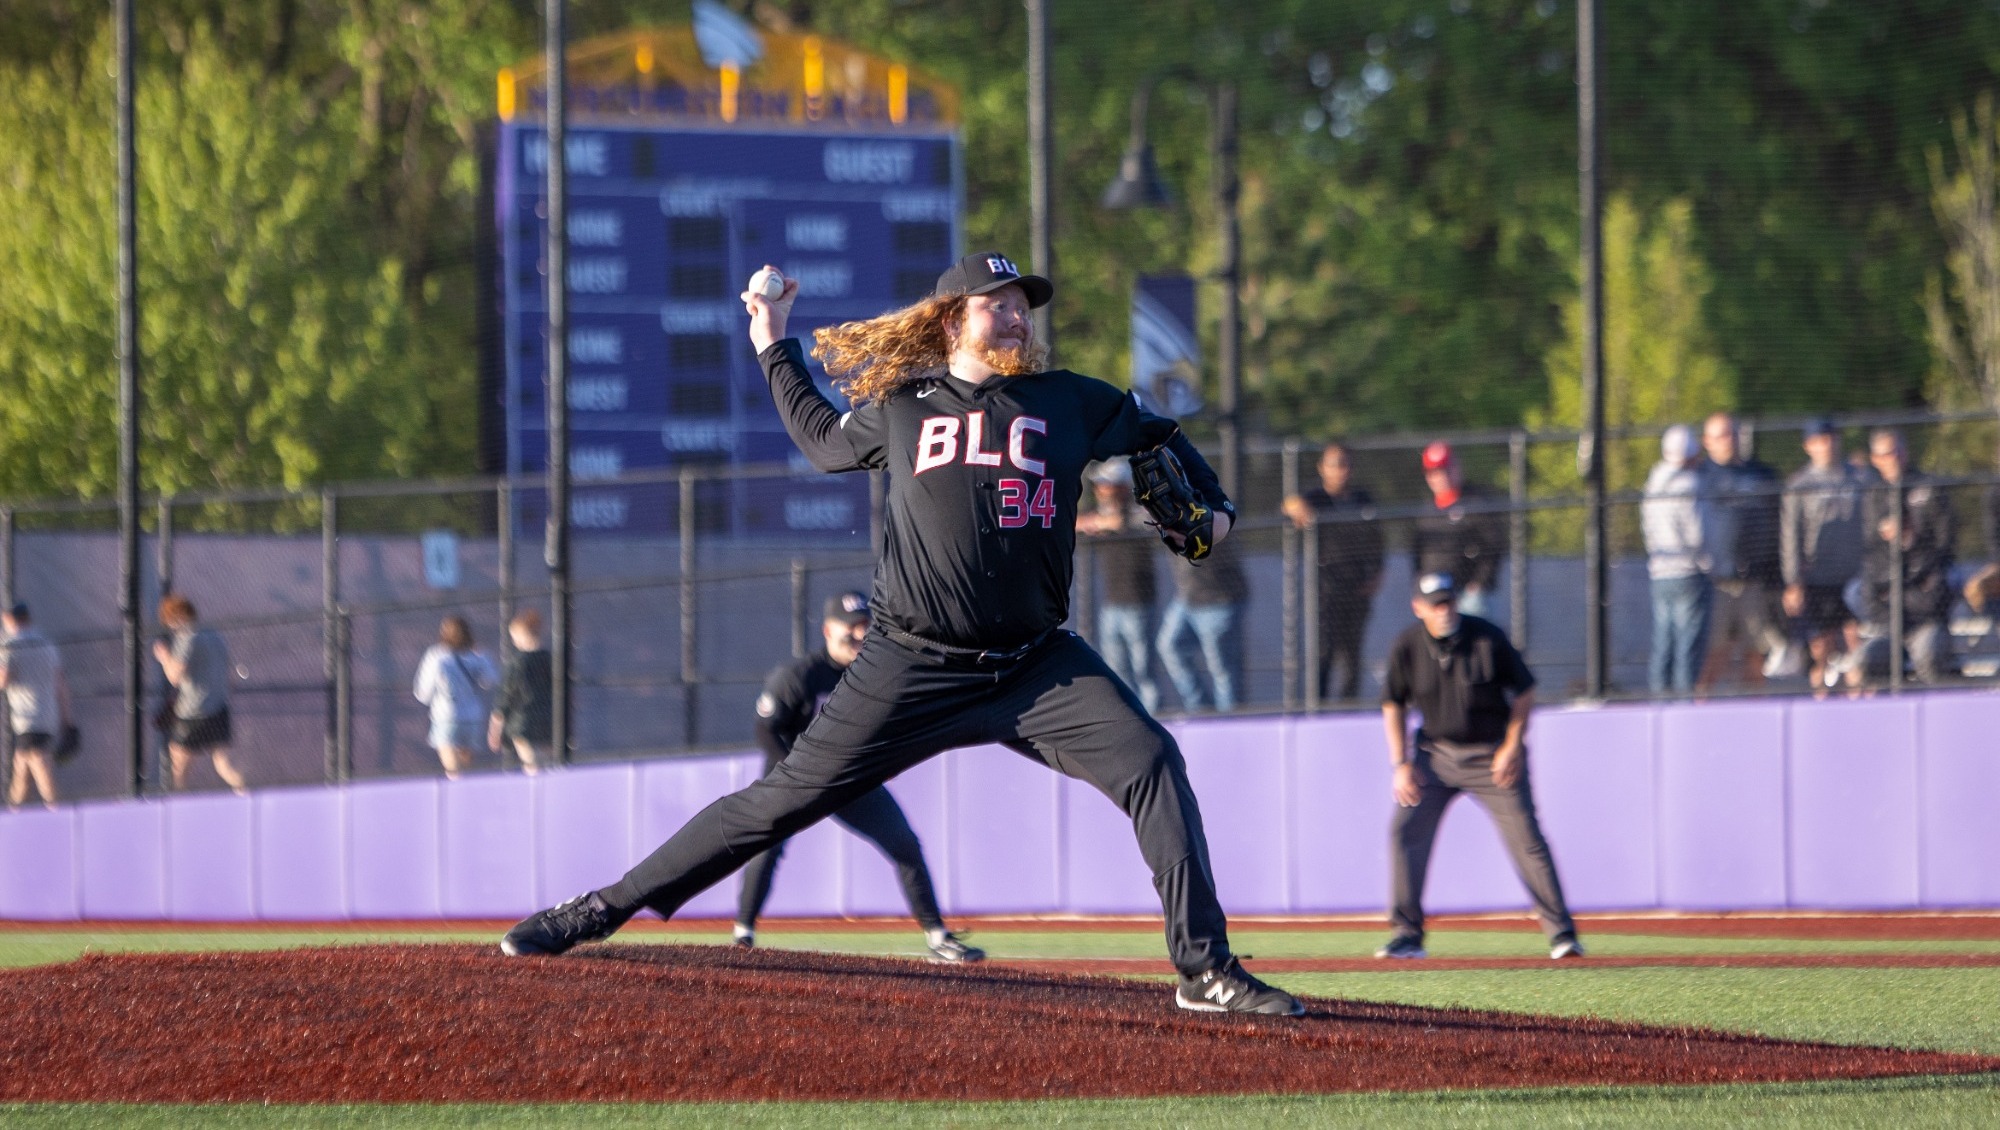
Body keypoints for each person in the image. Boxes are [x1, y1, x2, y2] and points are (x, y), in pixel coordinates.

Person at [502, 251, 1302, 1016]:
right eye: (999, 304)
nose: (1017, 315)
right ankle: (598, 910)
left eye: (1023, 303)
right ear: (954, 321)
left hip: (1036, 665)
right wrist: (773, 343)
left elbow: (1159, 434)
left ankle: (1205, 970)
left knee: (1153, 760)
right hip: (910, 663)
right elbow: (818, 441)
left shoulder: (1068, 401)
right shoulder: (906, 408)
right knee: (773, 804)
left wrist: (1219, 509)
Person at [735, 592, 983, 963]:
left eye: (865, 626)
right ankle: (742, 936)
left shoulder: (873, 674)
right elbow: (766, 730)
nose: (858, 634)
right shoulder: (800, 675)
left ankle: (938, 935)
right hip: (790, 777)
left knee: (904, 844)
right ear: (828, 630)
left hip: (846, 778)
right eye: (850, 627)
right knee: (766, 849)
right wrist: (794, 773)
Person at [1378, 572, 1583, 961]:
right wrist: (1400, 764)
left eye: (1449, 601)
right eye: (1436, 604)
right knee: (1404, 831)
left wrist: (1512, 745)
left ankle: (1562, 933)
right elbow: (1393, 705)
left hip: (1491, 756)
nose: (1445, 610)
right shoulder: (1407, 645)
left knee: (1527, 838)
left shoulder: (1487, 636)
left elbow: (1524, 690)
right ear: (1418, 608)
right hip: (1434, 758)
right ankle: (1405, 934)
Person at [1283, 441, 1385, 701]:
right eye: (1335, 464)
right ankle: (1319, 708)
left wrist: (1377, 575)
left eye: (1346, 464)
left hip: (1357, 591)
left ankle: (1348, 708)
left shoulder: (1363, 499)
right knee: (1323, 653)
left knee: (1351, 657)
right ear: (1322, 468)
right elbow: (1288, 505)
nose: (1341, 470)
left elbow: (1378, 541)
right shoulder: (1317, 498)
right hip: (1325, 592)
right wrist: (1298, 507)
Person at [1856, 429, 1957, 684]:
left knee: (1930, 653)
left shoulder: (1928, 487)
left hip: (1926, 615)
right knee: (1868, 659)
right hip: (1889, 618)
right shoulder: (1872, 497)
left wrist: (1913, 538)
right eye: (1887, 454)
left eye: (1898, 451)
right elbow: (1871, 558)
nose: (1894, 459)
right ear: (1875, 459)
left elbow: (1945, 545)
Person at [1698, 412, 1790, 687]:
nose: (1729, 441)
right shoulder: (1699, 478)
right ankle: (1698, 716)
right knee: (1712, 656)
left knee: (1755, 655)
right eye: (1721, 435)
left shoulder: (1762, 475)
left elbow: (1779, 526)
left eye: (1732, 434)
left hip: (1754, 584)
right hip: (1714, 586)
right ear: (1707, 442)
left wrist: (1779, 580)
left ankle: (1756, 719)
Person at [1780, 420, 1868, 691]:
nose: (1827, 445)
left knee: (1858, 643)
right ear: (1809, 446)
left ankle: (1860, 699)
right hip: (1818, 579)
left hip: (1855, 576)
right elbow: (1790, 535)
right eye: (1819, 440)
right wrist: (1793, 581)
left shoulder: (1859, 478)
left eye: (1831, 438)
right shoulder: (1800, 484)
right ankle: (1823, 701)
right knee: (1822, 648)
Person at [1074, 458, 1161, 712]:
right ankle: (1129, 717)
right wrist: (1096, 522)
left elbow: (1127, 522)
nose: (1100, 490)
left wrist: (1103, 522)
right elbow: (1077, 522)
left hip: (1138, 605)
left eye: (1106, 485)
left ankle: (1153, 718)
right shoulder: (1101, 517)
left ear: (1122, 487)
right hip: (1112, 606)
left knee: (1143, 670)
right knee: (1117, 671)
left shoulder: (1141, 512)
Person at [1641, 424, 1716, 697]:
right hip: (1689, 573)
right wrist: (1710, 565)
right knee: (1688, 646)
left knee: (1664, 642)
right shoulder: (1690, 484)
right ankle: (1683, 706)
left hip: (1660, 572)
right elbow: (1699, 533)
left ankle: (1659, 702)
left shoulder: (1654, 481)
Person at [152, 594, 247, 795]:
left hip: (192, 714)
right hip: (219, 710)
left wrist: (164, 657)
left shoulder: (187, 637)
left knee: (178, 768)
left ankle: (180, 809)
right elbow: (230, 676)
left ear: (176, 617)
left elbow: (174, 676)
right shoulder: (214, 635)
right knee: (224, 763)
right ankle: (247, 795)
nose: (169, 626)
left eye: (169, 620)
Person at [1410, 441, 1504, 618]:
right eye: (1434, 471)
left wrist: (1480, 583)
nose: (1441, 476)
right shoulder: (1427, 512)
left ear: (1457, 467)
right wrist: (1418, 588)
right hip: (1434, 597)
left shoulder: (1476, 502)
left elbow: (1494, 545)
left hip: (1467, 596)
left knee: (1475, 643)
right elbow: (1417, 554)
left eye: (1446, 469)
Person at [1156, 537, 1248, 713]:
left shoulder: (1211, 511)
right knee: (1170, 646)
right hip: (1186, 598)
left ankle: (1228, 722)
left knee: (1222, 667)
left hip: (1219, 597)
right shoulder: (1166, 513)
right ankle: (1200, 711)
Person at [1, 603, 69, 809]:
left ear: (11, 620)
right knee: (21, 768)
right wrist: (67, 719)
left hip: (28, 718)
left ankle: (57, 812)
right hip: (48, 715)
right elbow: (60, 684)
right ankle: (11, 816)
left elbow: (4, 679)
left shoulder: (11, 645)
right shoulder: (46, 644)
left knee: (39, 763)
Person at [414, 615, 497, 780]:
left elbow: (423, 692)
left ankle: (457, 796)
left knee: (452, 768)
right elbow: (491, 680)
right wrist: (483, 659)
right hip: (473, 717)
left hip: (446, 716)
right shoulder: (477, 656)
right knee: (465, 767)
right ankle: (465, 793)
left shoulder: (437, 656)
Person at [488, 609, 553, 775]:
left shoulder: (517, 663)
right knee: (549, 765)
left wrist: (495, 730)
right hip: (548, 719)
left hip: (522, 723)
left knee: (532, 766)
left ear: (524, 634)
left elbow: (504, 699)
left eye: (515, 636)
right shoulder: (550, 659)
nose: (514, 641)